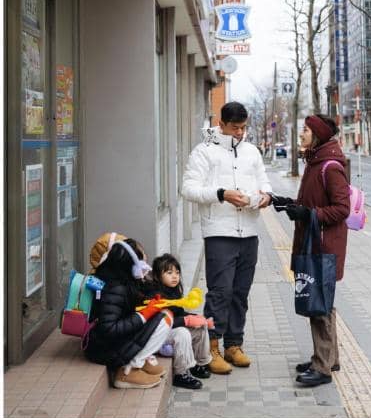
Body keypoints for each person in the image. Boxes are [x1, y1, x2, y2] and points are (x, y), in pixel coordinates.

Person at [181, 101, 272, 374]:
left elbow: (264, 182)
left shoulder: (252, 152)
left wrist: (265, 196)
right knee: (220, 292)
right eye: (235, 128)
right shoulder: (203, 152)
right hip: (219, 233)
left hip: (250, 232)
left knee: (241, 293)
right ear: (221, 124)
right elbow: (188, 188)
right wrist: (222, 194)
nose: (240, 133)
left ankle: (235, 344)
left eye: (243, 128)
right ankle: (212, 347)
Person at [270, 114, 351, 387]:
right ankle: (328, 357)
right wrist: (290, 204)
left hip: (324, 246)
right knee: (323, 302)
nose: (301, 134)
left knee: (319, 305)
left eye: (305, 130)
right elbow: (311, 202)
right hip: (314, 242)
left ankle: (322, 367)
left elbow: (342, 209)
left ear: (316, 135)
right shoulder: (315, 162)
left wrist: (308, 213)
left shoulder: (330, 166)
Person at [84, 233, 172, 389]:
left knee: (163, 314)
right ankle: (129, 371)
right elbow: (109, 328)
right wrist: (143, 315)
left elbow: (137, 298)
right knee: (165, 319)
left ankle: (140, 361)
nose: (144, 263)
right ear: (131, 265)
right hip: (104, 348)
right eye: (141, 260)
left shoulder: (121, 280)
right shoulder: (116, 288)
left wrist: (150, 301)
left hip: (110, 343)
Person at [142, 254, 214, 389]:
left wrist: (198, 319)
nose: (175, 276)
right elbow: (159, 323)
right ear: (157, 276)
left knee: (200, 327)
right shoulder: (154, 295)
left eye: (177, 272)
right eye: (169, 273)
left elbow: (179, 314)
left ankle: (199, 364)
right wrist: (186, 320)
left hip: (168, 332)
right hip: (156, 337)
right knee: (182, 333)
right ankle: (180, 374)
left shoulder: (172, 291)